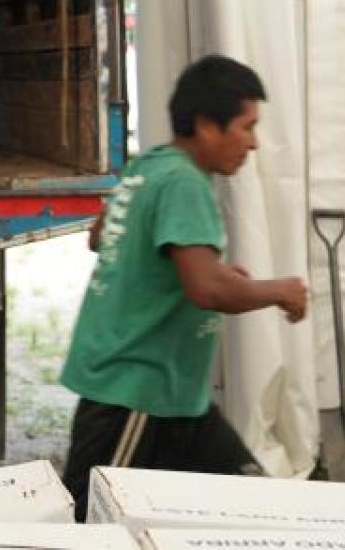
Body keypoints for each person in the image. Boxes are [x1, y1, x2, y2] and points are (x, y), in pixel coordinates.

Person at [58, 55, 309, 514]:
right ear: (207, 126)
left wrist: (198, 267)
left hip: (174, 397)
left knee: (249, 505)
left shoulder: (148, 166)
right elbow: (207, 292)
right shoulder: (184, 183)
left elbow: (103, 235)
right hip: (136, 392)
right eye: (246, 127)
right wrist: (281, 290)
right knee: (91, 521)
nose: (252, 144)